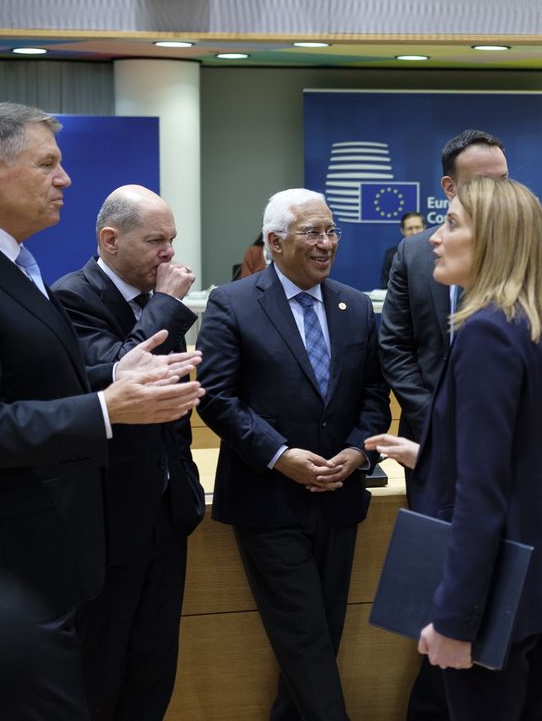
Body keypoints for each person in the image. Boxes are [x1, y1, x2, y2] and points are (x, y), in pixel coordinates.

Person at [0, 102, 205, 718]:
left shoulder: (9, 264)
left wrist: (115, 373)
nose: (65, 180)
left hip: (37, 563)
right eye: (48, 164)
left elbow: (32, 383)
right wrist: (106, 409)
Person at [379, 129, 542, 721]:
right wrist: (430, 452)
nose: (435, 236)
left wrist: (456, 620)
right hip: (534, 580)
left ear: (491, 238)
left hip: (490, 592)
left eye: (453, 224)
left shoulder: (485, 331)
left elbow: (482, 495)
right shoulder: (528, 321)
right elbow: (519, 453)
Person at [196, 188, 391, 721]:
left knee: (320, 634)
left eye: (331, 232)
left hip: (339, 495)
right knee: (304, 635)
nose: (327, 243)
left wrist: (357, 451)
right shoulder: (232, 303)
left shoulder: (354, 306)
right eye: (313, 233)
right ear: (275, 242)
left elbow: (374, 394)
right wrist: (280, 455)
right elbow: (216, 397)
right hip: (269, 499)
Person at [51, 184, 206, 720]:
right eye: (156, 241)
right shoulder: (72, 295)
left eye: (173, 240)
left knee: (153, 669)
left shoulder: (157, 302)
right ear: (110, 240)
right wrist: (167, 305)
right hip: (107, 519)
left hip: (168, 512)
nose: (169, 254)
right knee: (100, 671)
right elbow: (128, 368)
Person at [380, 210, 427, 289]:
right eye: (410, 228)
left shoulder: (436, 252)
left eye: (418, 227)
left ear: (425, 228)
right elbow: (386, 286)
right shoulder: (391, 255)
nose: (414, 232)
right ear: (402, 231)